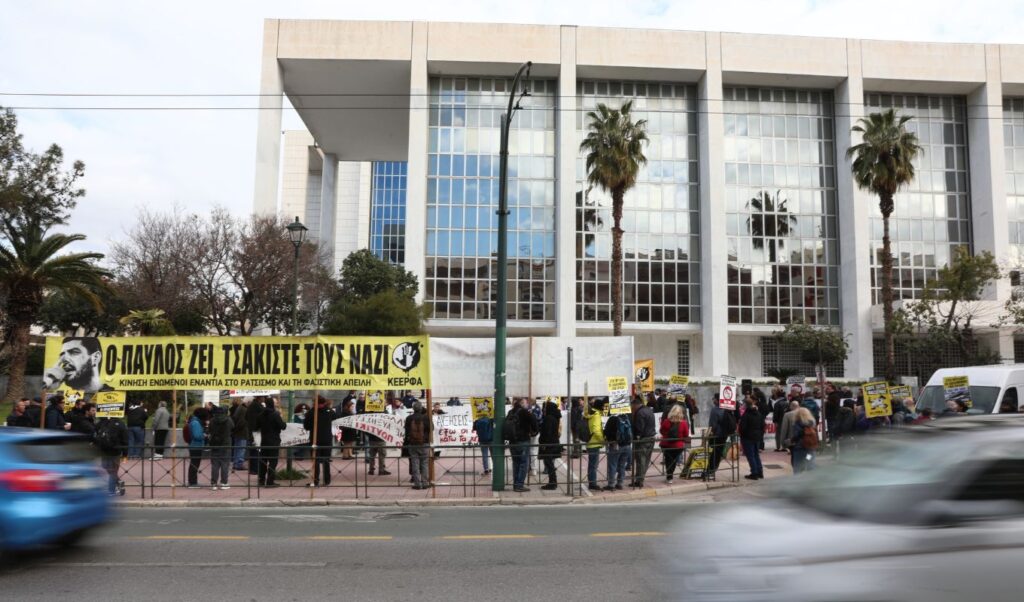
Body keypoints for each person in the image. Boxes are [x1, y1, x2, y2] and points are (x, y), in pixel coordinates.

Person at [42, 336, 110, 394]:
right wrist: (49, 386)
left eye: (74, 352)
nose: (64, 359)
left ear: (95, 358)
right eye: (62, 355)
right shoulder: (61, 395)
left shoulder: (110, 393)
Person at [505, 398, 538, 492]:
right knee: (523, 463)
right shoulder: (525, 412)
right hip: (523, 440)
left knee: (516, 463)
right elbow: (534, 423)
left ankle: (516, 484)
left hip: (512, 441)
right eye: (526, 402)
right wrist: (533, 432)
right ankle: (519, 485)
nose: (527, 404)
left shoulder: (510, 412)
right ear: (522, 403)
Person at [304, 398, 336, 487]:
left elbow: (306, 426)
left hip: (315, 440)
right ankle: (327, 480)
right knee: (326, 460)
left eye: (314, 402)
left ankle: (315, 480)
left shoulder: (311, 413)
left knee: (316, 461)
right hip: (327, 439)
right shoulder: (330, 411)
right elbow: (335, 418)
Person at [94, 415, 128, 495]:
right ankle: (115, 486)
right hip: (115, 450)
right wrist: (125, 454)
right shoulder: (120, 424)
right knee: (112, 471)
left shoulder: (102, 423)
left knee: (107, 469)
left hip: (104, 450)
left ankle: (111, 489)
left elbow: (95, 431)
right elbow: (125, 439)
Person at [404, 401, 433, 490]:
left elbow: (406, 431)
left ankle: (417, 483)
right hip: (424, 443)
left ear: (413, 409)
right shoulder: (426, 418)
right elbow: (431, 428)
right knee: (424, 463)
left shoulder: (409, 418)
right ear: (421, 409)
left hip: (412, 444)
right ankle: (425, 483)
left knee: (415, 463)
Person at [258, 397, 286, 488]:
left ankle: (261, 480)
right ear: (272, 404)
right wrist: (281, 418)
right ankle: (270, 481)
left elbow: (256, 426)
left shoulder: (261, 414)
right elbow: (283, 426)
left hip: (264, 441)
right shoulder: (275, 414)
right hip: (274, 441)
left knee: (263, 461)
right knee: (273, 462)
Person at [602, 409, 631, 491]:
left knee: (612, 465)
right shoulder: (626, 417)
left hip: (615, 445)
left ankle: (611, 484)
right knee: (622, 465)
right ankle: (620, 483)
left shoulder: (612, 419)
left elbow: (607, 432)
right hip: (627, 445)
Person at [659, 404, 689, 483]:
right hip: (678, 445)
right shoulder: (683, 423)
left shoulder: (666, 421)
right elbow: (686, 434)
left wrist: (666, 435)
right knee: (674, 461)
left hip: (666, 444)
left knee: (668, 459)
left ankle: (669, 476)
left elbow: (661, 431)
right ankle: (670, 475)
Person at [630, 396, 656, 488]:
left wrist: (637, 437)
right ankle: (640, 478)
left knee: (641, 460)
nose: (632, 409)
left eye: (632, 407)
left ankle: (639, 481)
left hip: (643, 439)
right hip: (651, 437)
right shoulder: (648, 410)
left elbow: (639, 428)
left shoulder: (639, 413)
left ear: (635, 405)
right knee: (646, 459)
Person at [706, 394, 735, 476]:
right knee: (718, 452)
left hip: (717, 434)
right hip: (725, 434)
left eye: (714, 399)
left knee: (713, 453)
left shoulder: (715, 409)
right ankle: (714, 469)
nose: (713, 401)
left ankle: (710, 471)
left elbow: (713, 424)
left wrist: (710, 434)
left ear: (717, 400)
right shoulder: (727, 408)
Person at [738, 395, 764, 480]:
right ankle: (760, 472)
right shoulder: (758, 413)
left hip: (748, 438)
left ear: (746, 405)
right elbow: (762, 425)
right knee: (756, 455)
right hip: (757, 437)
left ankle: (754, 473)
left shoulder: (746, 415)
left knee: (751, 456)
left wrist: (742, 434)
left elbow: (743, 428)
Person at [538, 401, 562, 490]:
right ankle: (553, 482)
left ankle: (552, 482)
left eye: (545, 408)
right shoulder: (555, 417)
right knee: (550, 463)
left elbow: (547, 432)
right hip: (553, 443)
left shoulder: (549, 418)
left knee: (549, 464)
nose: (544, 410)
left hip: (548, 445)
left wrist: (544, 443)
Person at [207, 404, 233, 491]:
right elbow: (233, 428)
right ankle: (224, 483)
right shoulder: (229, 420)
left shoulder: (212, 420)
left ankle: (214, 484)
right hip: (226, 445)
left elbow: (209, 430)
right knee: (225, 464)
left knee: (215, 465)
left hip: (215, 444)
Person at [584, 399, 606, 491]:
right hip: (594, 443)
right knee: (593, 465)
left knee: (591, 464)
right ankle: (592, 483)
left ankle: (591, 482)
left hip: (590, 442)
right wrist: (602, 440)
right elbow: (596, 430)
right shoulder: (596, 415)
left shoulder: (590, 414)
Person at [789, 407, 818, 473]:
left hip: (800, 449)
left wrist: (792, 440)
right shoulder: (812, 423)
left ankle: (799, 480)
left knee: (798, 466)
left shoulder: (797, 423)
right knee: (809, 463)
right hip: (810, 449)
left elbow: (797, 435)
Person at [186, 408, 208, 488]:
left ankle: (192, 481)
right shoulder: (196, 423)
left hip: (195, 446)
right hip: (196, 446)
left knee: (194, 464)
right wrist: (204, 436)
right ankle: (192, 482)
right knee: (194, 464)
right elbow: (197, 435)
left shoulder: (194, 421)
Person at [230, 397, 248, 470]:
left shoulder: (239, 408)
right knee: (241, 448)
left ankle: (235, 463)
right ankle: (239, 464)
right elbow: (242, 422)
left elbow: (235, 418)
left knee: (237, 448)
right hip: (242, 432)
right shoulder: (244, 410)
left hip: (237, 432)